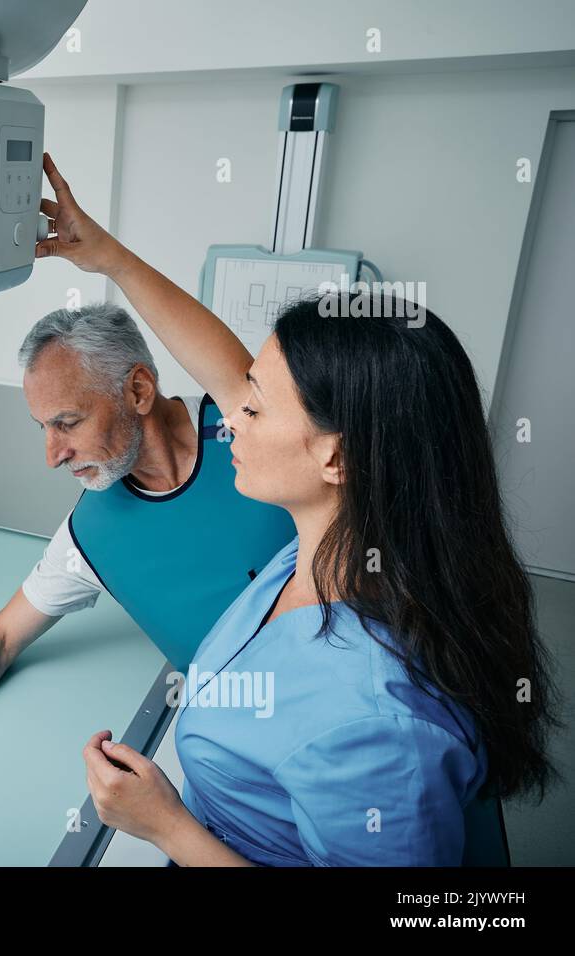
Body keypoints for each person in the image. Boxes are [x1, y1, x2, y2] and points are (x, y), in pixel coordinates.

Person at [35, 151, 560, 865]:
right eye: (241, 391)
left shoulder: (376, 721)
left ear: (336, 458)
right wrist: (106, 258)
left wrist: (167, 828)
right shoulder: (320, 553)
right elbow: (222, 361)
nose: (230, 417)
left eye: (254, 404)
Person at [0, 299, 294, 804]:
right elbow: (2, 636)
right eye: (43, 427)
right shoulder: (92, 534)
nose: (52, 456)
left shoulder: (245, 435)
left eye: (68, 423)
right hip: (248, 760)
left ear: (138, 390)